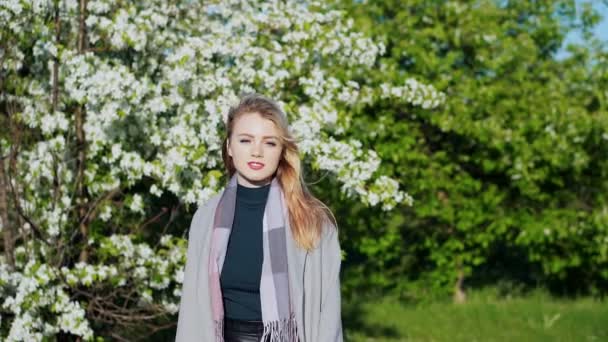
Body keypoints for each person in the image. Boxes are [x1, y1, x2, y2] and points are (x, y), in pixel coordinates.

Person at [175, 94, 343, 342]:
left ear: (282, 151)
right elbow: (192, 309)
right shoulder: (206, 218)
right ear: (230, 147)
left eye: (269, 143)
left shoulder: (312, 220)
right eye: (245, 140)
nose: (257, 152)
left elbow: (328, 316)